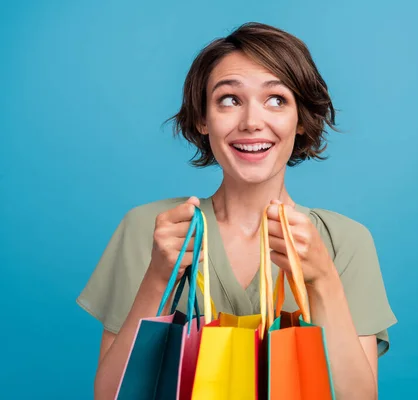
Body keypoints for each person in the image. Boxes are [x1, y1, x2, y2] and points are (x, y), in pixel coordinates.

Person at [77, 22, 397, 400]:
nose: (251, 122)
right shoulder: (151, 230)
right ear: (202, 118)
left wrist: (323, 281)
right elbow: (110, 395)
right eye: (229, 99)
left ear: (300, 120)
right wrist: (156, 278)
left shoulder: (343, 241)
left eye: (277, 99)